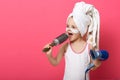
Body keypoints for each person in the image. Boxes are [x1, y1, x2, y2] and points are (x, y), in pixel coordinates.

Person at [43, 1, 101, 80]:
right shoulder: (65, 47)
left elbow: (93, 67)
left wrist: (96, 62)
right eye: (67, 26)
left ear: (81, 29)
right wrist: (49, 55)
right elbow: (55, 62)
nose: (69, 29)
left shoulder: (89, 47)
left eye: (73, 27)